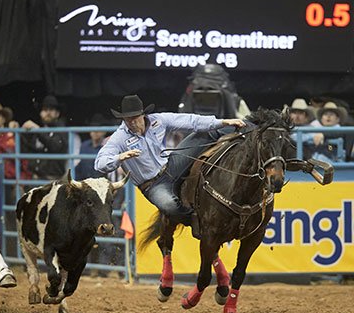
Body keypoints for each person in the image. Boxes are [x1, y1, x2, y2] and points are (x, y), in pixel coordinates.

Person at [94, 94, 246, 224]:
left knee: (206, 133)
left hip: (171, 165)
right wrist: (119, 157)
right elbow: (99, 164)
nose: (132, 122)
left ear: (143, 115)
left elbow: (190, 121)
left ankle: (248, 129)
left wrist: (223, 122)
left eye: (135, 118)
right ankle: (198, 222)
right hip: (152, 184)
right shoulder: (120, 137)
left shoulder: (157, 120)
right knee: (170, 207)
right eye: (128, 119)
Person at [21, 95, 68, 180]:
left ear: (57, 114)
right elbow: (25, 149)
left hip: (53, 179)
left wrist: (37, 130)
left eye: (51, 110)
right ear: (40, 113)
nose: (48, 113)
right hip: (34, 178)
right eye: (45, 110)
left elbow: (55, 146)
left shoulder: (62, 130)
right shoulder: (37, 131)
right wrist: (20, 131)